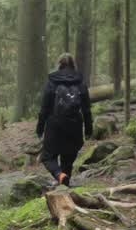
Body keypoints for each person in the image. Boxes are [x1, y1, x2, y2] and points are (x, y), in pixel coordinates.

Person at [35, 53, 93, 187]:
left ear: (59, 65)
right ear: (73, 65)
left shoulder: (52, 83)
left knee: (47, 157)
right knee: (68, 158)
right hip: (75, 125)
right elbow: (86, 109)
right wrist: (88, 130)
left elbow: (44, 108)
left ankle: (59, 175)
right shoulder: (80, 83)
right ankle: (64, 185)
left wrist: (39, 128)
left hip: (54, 124)